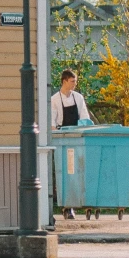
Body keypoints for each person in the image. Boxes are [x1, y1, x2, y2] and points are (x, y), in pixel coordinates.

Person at [51, 70, 93, 217]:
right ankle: (67, 206)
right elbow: (52, 123)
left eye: (75, 81)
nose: (75, 84)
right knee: (66, 172)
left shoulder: (78, 98)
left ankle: (80, 202)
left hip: (78, 140)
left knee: (79, 172)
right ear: (64, 81)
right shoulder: (55, 99)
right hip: (63, 139)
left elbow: (84, 117)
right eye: (72, 81)